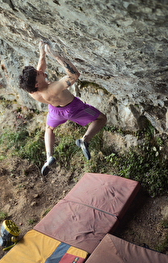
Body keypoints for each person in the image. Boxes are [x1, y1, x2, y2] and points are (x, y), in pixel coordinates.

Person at [19, 41, 107, 176]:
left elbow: (40, 69)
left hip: (54, 111)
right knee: (101, 118)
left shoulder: (32, 91)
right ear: (37, 83)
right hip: (73, 109)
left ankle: (49, 157)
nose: (40, 71)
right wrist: (57, 56)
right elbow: (74, 75)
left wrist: (42, 54)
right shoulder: (51, 89)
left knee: (49, 129)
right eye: (38, 73)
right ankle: (85, 140)